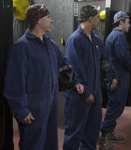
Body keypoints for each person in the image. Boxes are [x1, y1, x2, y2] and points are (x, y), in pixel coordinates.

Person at [3, 4, 84, 150]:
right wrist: (21, 110)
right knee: (33, 145)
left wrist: (75, 81)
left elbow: (65, 64)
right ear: (38, 20)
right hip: (33, 110)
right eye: (48, 17)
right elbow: (14, 83)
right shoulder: (21, 47)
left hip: (51, 106)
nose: (51, 21)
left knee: (50, 144)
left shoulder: (50, 45)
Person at [63, 5, 116, 150]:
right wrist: (86, 92)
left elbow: (105, 60)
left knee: (93, 129)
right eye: (98, 17)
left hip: (96, 93)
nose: (99, 21)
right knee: (75, 130)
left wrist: (113, 76)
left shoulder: (96, 40)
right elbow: (74, 69)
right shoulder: (74, 40)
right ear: (90, 18)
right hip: (79, 95)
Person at [97, 11, 131, 150]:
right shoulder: (119, 36)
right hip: (118, 76)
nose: (130, 25)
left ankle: (110, 131)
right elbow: (123, 56)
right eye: (128, 22)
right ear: (121, 22)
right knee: (115, 105)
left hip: (116, 75)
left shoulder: (113, 35)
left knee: (114, 104)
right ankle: (103, 136)